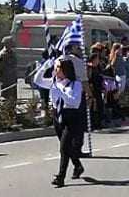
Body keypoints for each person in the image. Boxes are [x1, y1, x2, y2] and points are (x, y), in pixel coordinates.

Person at [33, 57, 85, 188]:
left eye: (58, 67)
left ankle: (60, 177)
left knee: (63, 148)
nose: (55, 70)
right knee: (67, 147)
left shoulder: (75, 84)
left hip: (71, 117)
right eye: (55, 67)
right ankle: (78, 166)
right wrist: (44, 67)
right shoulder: (53, 82)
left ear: (65, 70)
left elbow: (74, 102)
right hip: (58, 116)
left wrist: (60, 93)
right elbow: (37, 81)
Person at [0, 36, 18, 102]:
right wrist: (2, 79)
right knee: (6, 99)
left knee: (13, 99)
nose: (12, 44)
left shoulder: (12, 53)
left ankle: (12, 111)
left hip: (13, 80)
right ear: (6, 44)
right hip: (6, 81)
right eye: (10, 42)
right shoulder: (2, 54)